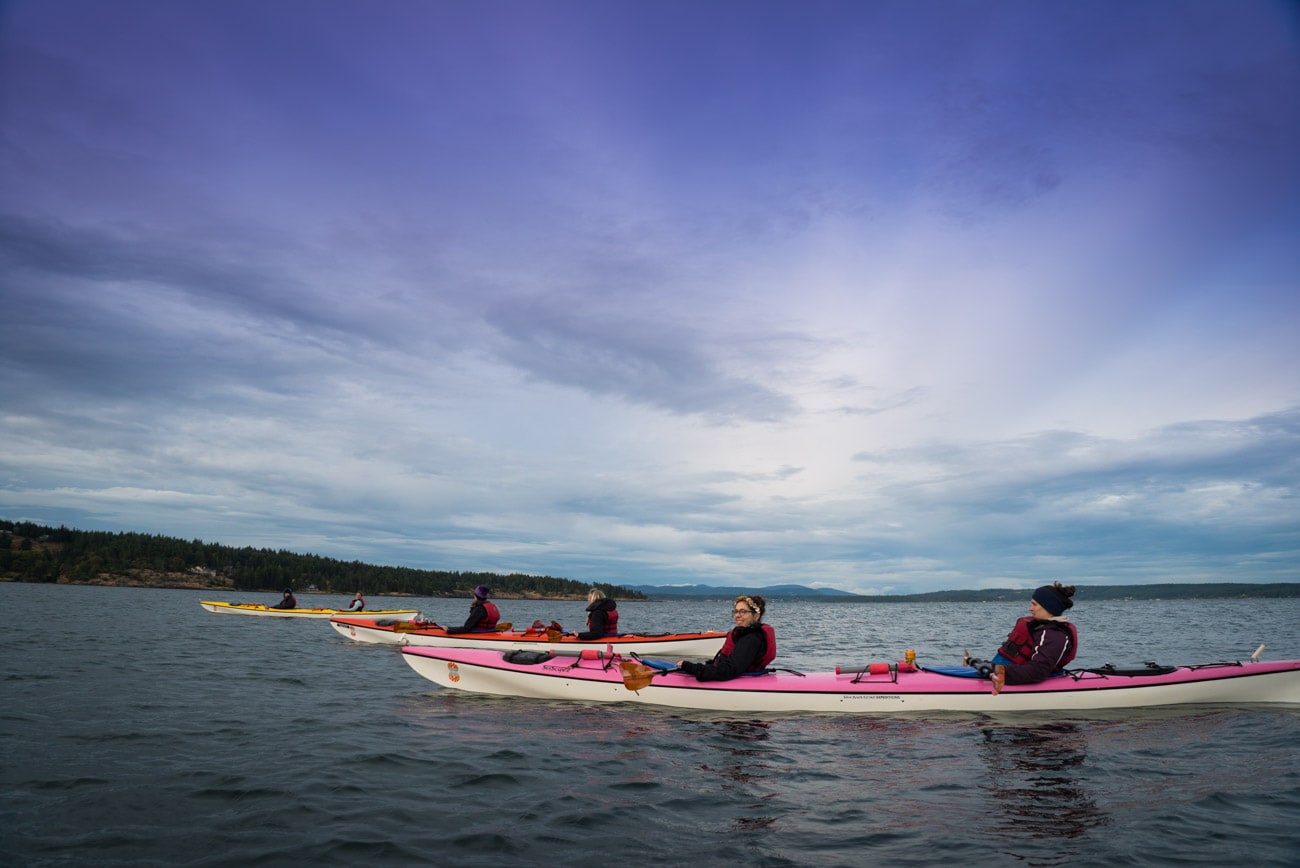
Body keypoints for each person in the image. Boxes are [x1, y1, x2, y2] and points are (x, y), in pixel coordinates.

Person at [968, 582, 1078, 688]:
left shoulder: (1055, 635)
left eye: (1034, 604)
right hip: (1005, 671)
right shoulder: (1039, 627)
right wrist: (988, 665)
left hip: (1018, 676)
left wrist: (996, 669)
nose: (1030, 608)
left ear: (1048, 607)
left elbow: (1037, 671)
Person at [676, 594, 776, 682]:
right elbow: (734, 662)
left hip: (740, 678)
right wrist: (710, 664)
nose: (737, 615)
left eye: (743, 612)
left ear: (756, 616)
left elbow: (728, 671)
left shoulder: (752, 639)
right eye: (736, 611)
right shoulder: (749, 635)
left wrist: (689, 666)